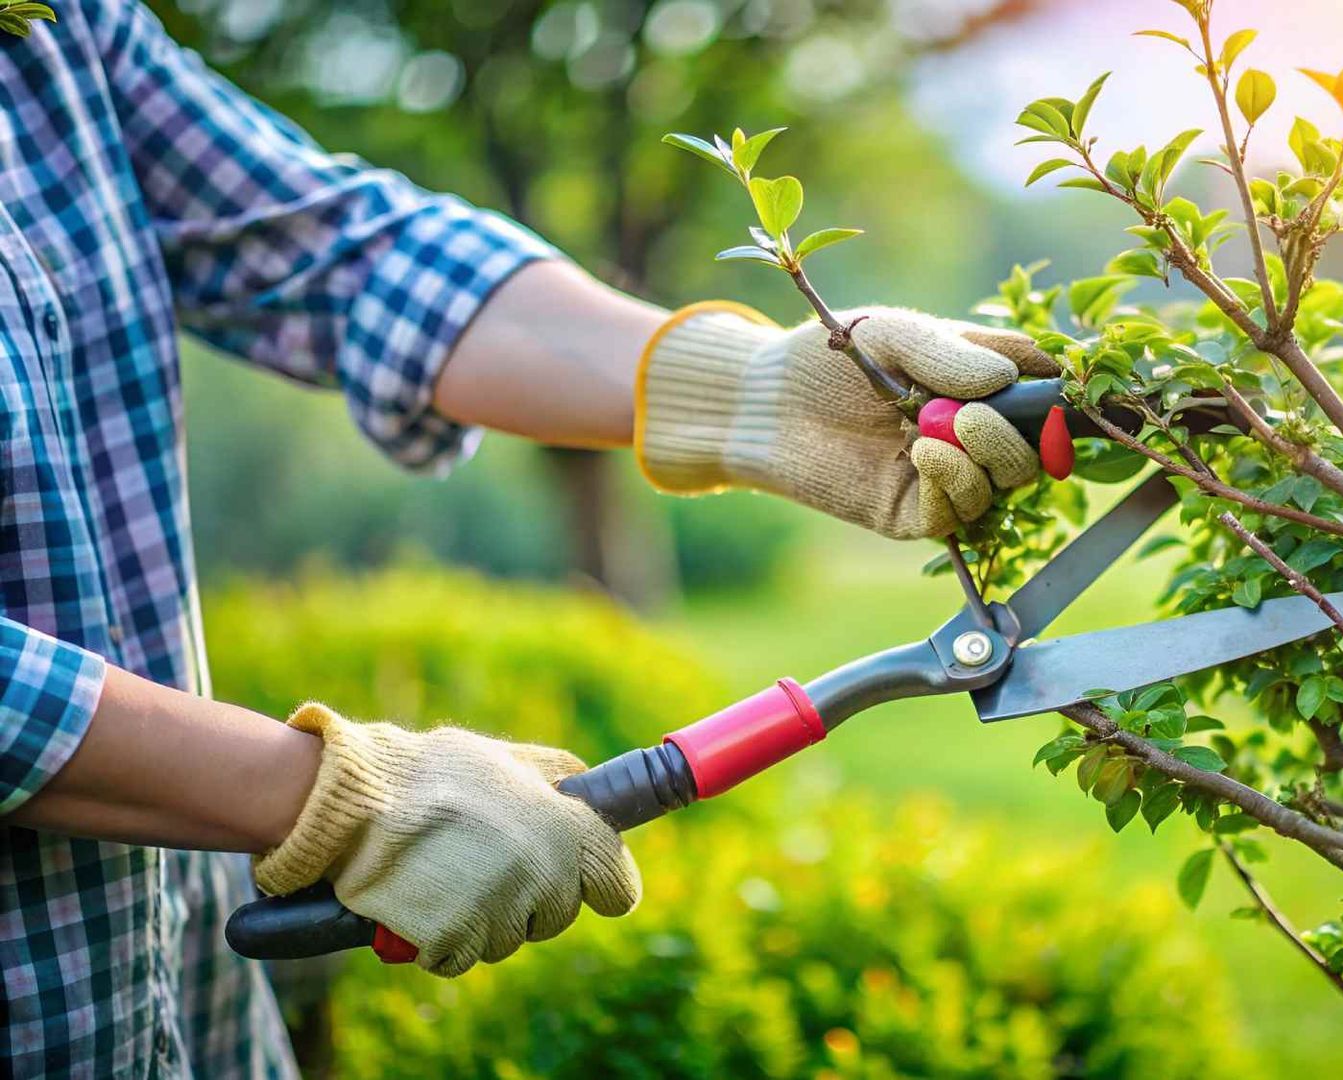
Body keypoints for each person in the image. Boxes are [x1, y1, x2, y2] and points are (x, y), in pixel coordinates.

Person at [0, 1, 1053, 1075]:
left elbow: (344, 250)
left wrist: (746, 391)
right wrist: (323, 797)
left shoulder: (54, 30)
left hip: (193, 1025)